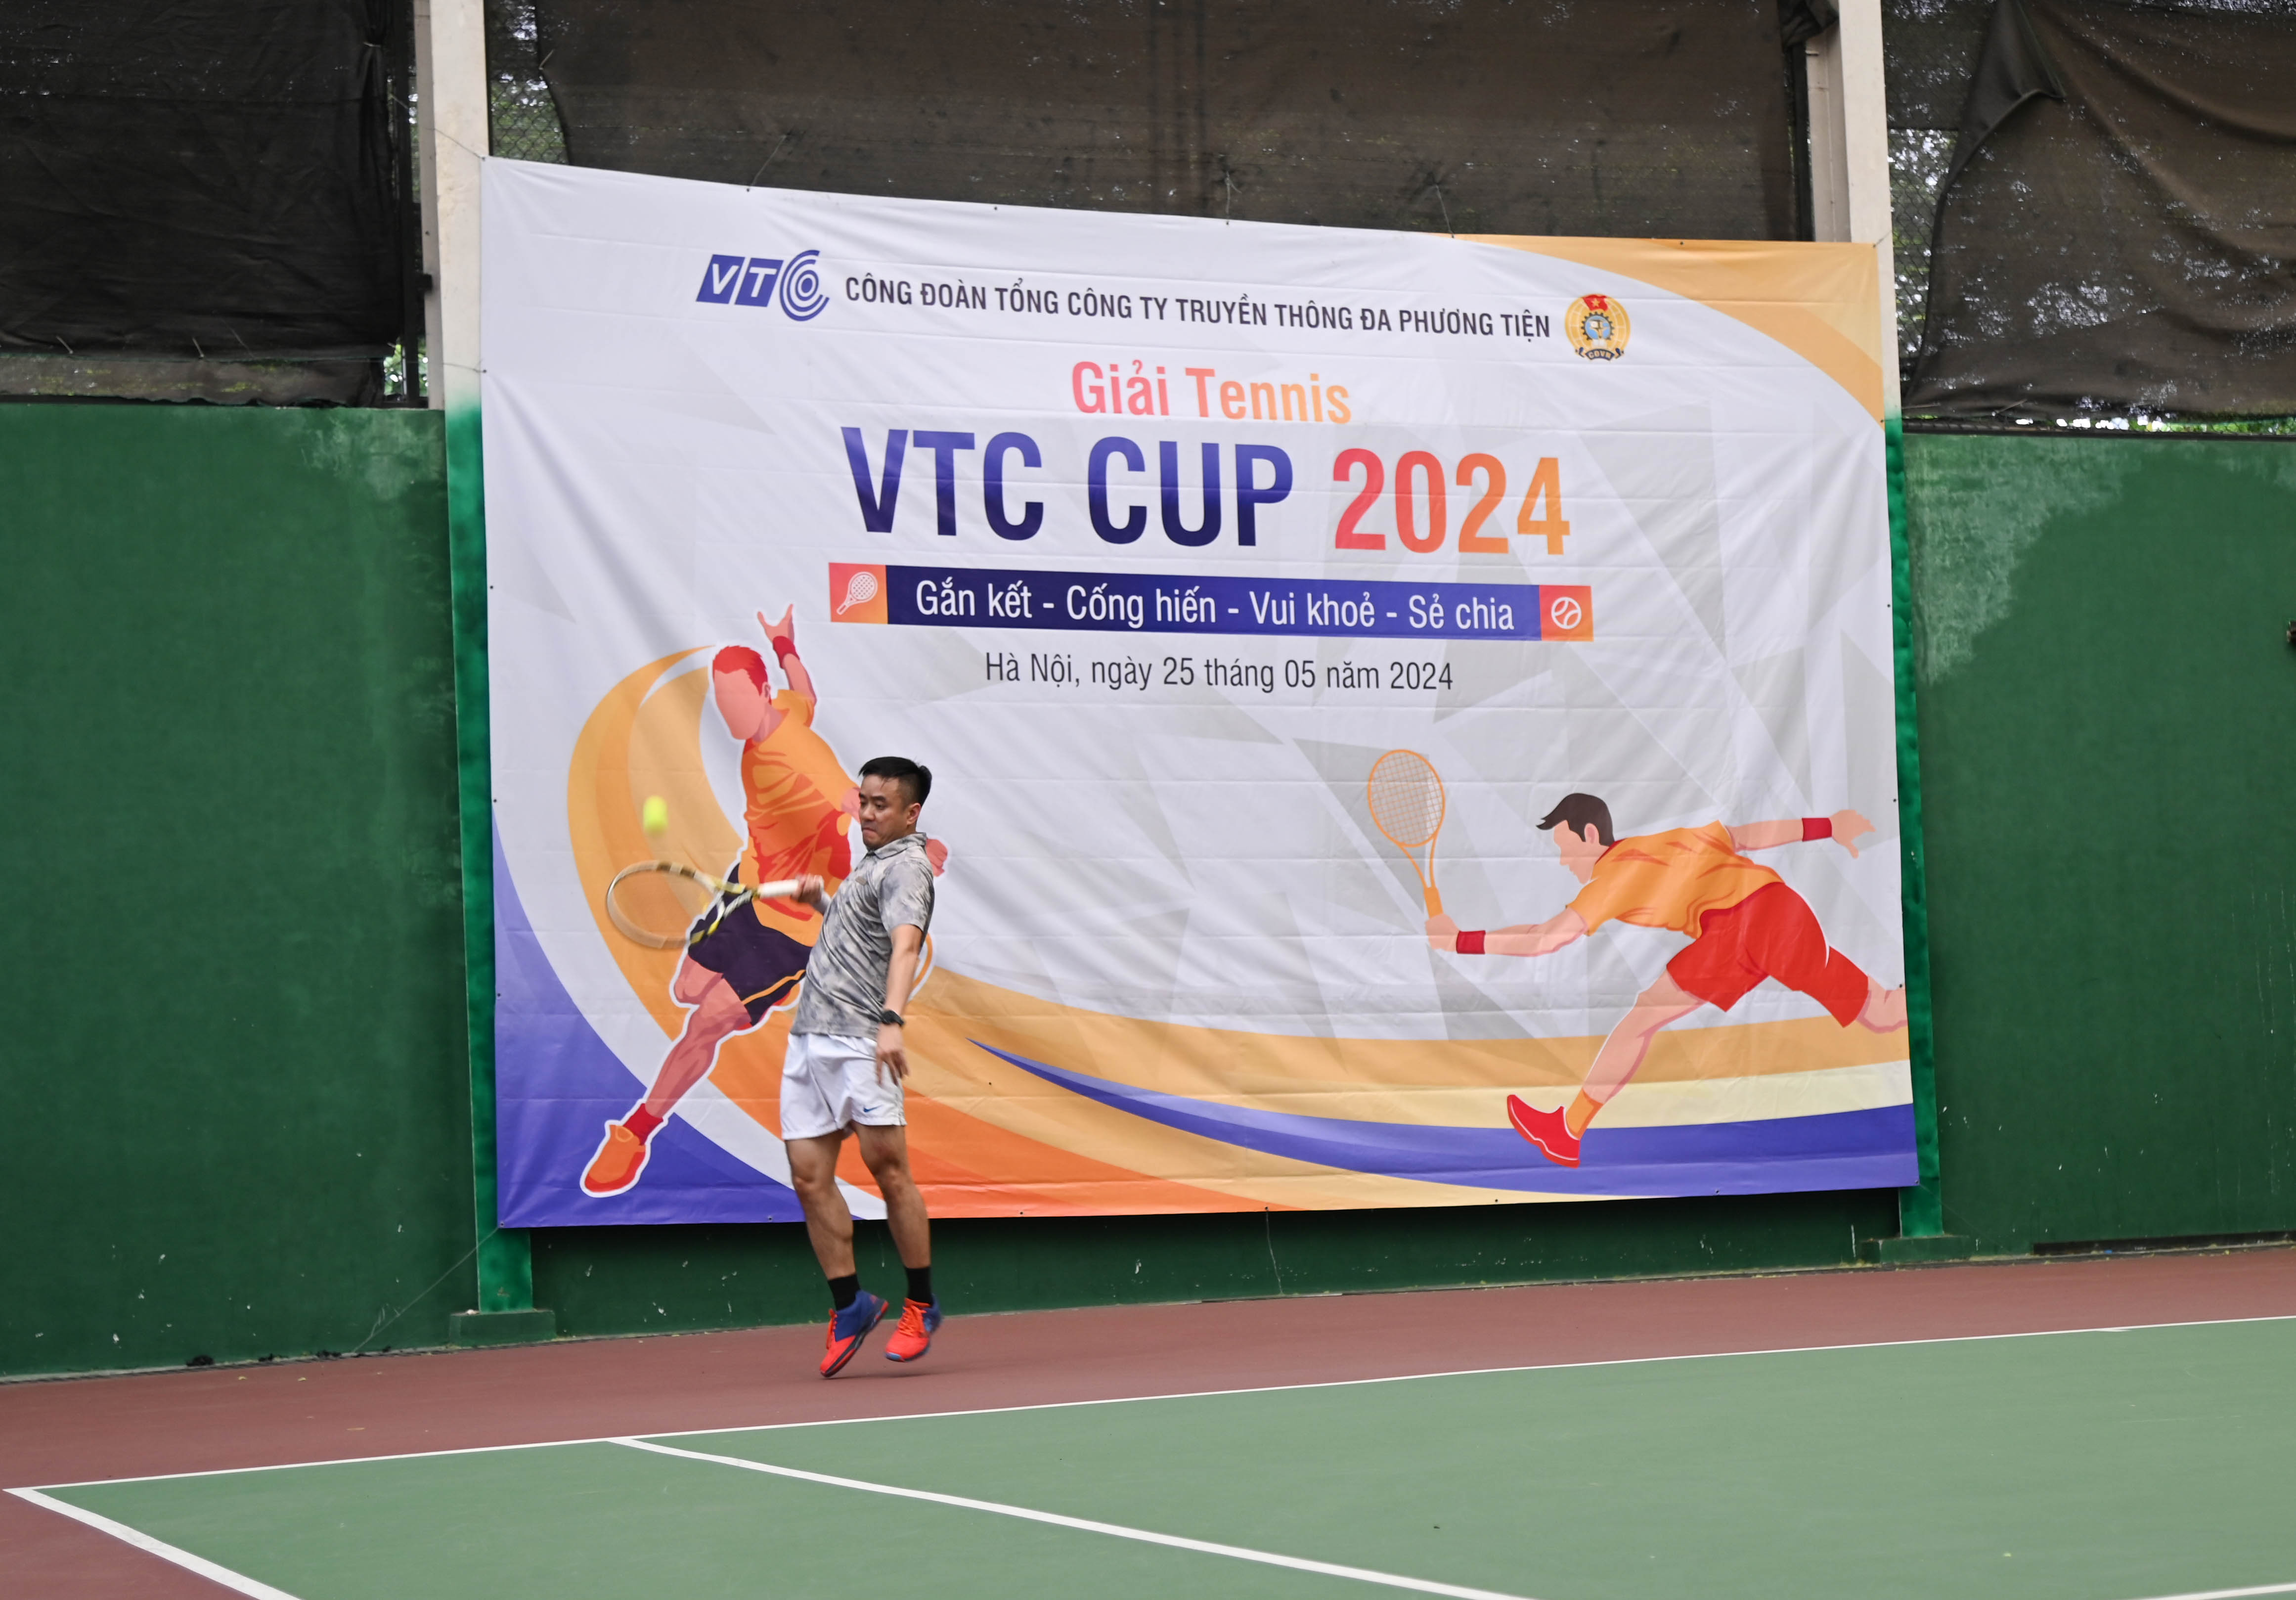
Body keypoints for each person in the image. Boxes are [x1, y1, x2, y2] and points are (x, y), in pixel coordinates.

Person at [1428, 794, 1908, 1168]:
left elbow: (1544, 939)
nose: (1563, 862)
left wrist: (1460, 940)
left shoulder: (1613, 877)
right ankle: (1568, 1131)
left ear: (1591, 834)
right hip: (1781, 912)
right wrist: (1830, 826)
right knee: (1884, 1011)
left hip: (1743, 925)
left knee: (1642, 1016)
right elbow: (1747, 836)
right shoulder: (1674, 839)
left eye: (1565, 847)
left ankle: (1568, 1132)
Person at [582, 607, 867, 1199]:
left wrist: (912, 843)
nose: (730, 709)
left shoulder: (797, 747)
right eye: (722, 697)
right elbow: (807, 695)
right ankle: (742, 998)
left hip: (795, 927)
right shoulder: (780, 710)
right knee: (686, 988)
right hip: (750, 888)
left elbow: (852, 799)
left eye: (739, 697)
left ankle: (637, 1130)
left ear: (759, 694)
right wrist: (785, 643)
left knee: (704, 1022)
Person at [785, 756, 942, 1375]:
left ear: (911, 813)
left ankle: (922, 1303)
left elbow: (905, 946)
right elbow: (864, 938)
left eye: (881, 805)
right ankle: (850, 1304)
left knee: (888, 1170)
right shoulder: (872, 863)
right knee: (808, 1176)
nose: (867, 813)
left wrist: (891, 1019)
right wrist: (824, 903)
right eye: (864, 801)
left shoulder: (907, 867)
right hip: (810, 1039)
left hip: (859, 1040)